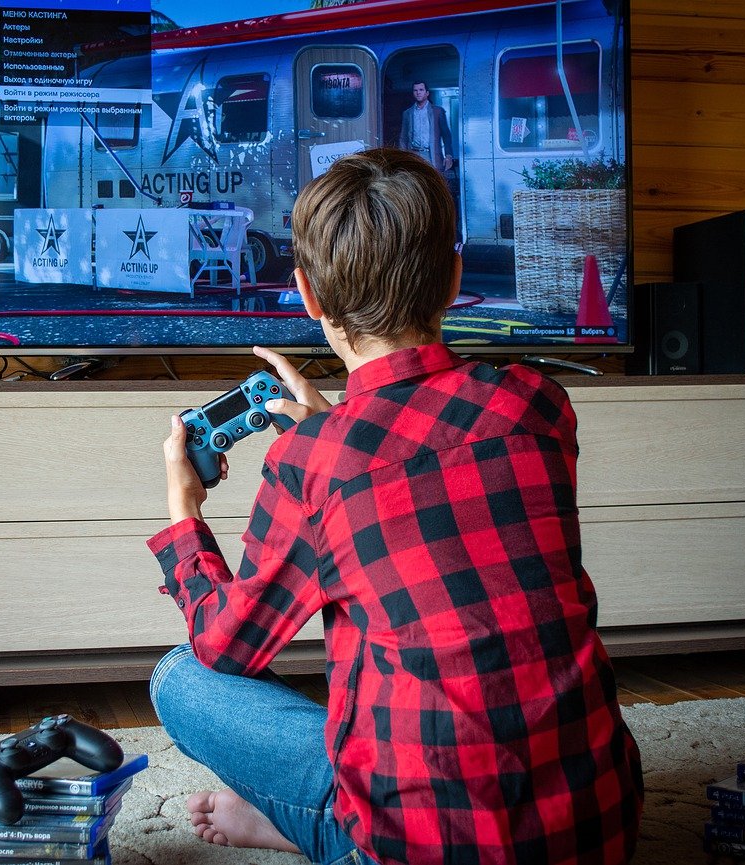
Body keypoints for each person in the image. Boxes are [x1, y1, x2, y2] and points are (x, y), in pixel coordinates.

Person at [147, 147, 643, 865]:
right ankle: (300, 817)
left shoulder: (313, 462)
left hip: (415, 850)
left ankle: (307, 825)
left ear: (308, 296)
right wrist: (332, 431)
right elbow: (426, 481)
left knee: (179, 676)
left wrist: (183, 510)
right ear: (454, 277)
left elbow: (228, 643)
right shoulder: (538, 404)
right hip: (599, 831)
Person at [398, 80, 454, 176]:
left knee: (432, 182)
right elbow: (403, 138)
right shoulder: (407, 113)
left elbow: (446, 135)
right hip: (414, 154)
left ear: (427, 93)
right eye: (415, 90)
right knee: (416, 182)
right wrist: (402, 157)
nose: (418, 92)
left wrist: (448, 155)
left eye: (421, 90)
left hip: (431, 154)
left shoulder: (438, 111)